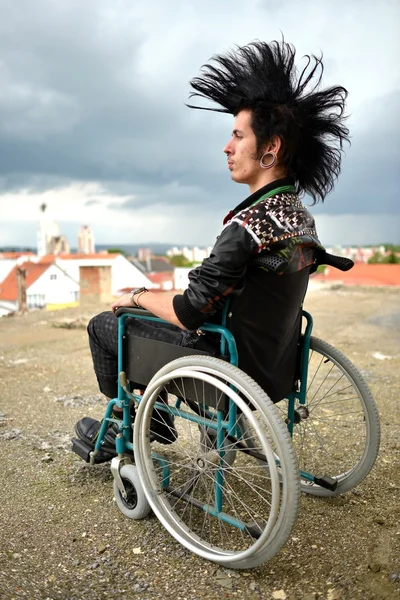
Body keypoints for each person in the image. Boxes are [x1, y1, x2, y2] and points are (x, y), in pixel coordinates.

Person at [74, 39, 349, 457]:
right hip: (273, 365)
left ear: (270, 150)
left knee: (106, 324)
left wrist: (138, 296)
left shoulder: (247, 226)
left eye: (238, 136)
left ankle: (141, 426)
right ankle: (165, 419)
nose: (227, 146)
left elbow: (189, 312)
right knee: (152, 317)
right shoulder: (298, 216)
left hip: (224, 366)